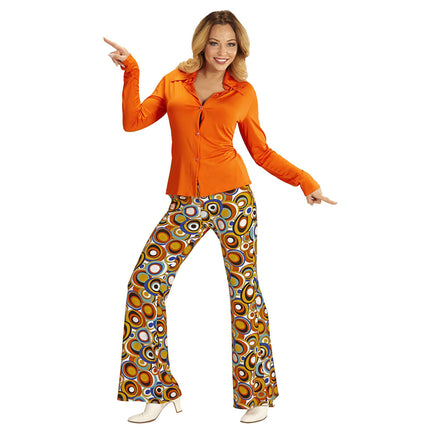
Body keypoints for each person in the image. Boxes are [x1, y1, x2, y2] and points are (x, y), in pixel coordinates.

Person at [104, 10, 337, 424]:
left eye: (231, 44)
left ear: (239, 48)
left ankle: (257, 395)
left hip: (234, 201)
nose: (222, 52)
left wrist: (304, 181)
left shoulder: (243, 92)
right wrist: (131, 70)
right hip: (185, 203)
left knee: (244, 292)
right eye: (215, 42)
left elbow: (260, 151)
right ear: (202, 43)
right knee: (144, 284)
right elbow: (132, 122)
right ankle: (155, 389)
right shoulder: (175, 81)